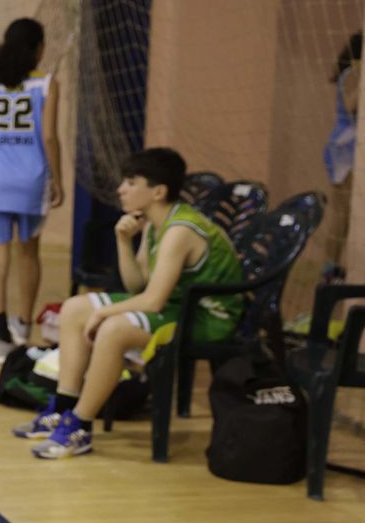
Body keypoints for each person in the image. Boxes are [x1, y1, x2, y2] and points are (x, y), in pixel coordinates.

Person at [13, 148, 243, 459]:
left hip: (208, 317)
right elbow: (137, 285)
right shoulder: (153, 223)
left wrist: (105, 313)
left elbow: (152, 300)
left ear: (158, 192)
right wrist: (123, 241)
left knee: (113, 329)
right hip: (179, 306)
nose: (122, 189)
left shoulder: (179, 231)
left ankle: (80, 426)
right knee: (74, 309)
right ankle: (63, 407)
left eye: (131, 182)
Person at [0, 18, 64, 364]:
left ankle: (0, 339)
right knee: (29, 254)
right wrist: (58, 179)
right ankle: (23, 329)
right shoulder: (46, 84)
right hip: (30, 180)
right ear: (39, 48)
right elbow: (50, 138)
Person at [323, 31, 360, 279]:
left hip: (345, 151)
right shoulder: (355, 73)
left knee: (343, 214)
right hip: (347, 154)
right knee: (342, 214)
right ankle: (329, 268)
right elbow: (352, 105)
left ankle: (332, 266)